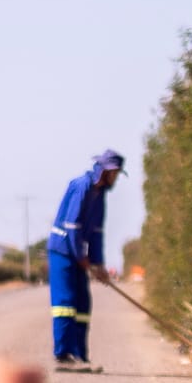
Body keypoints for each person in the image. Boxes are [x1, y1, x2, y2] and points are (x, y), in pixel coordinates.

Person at [47, 149, 126, 371]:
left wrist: (99, 265)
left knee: (83, 303)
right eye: (115, 173)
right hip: (63, 252)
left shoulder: (100, 195)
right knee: (65, 303)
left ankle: (80, 355)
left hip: (78, 255)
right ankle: (63, 355)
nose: (116, 178)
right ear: (105, 171)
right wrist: (82, 258)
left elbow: (96, 233)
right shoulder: (81, 186)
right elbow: (72, 226)